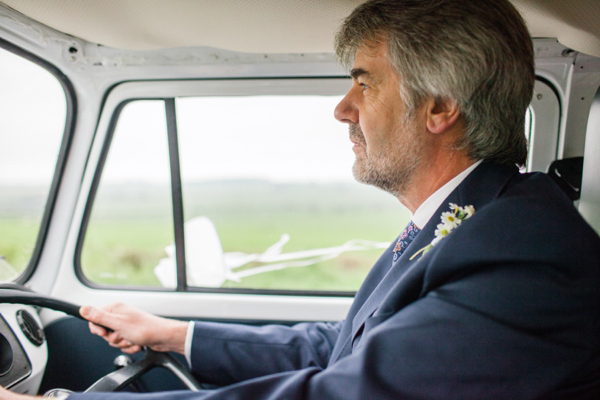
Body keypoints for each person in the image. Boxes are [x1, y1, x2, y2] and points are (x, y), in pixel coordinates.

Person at [2, 0, 600, 398]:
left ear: (441, 107)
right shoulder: (469, 220)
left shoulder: (526, 251)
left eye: (364, 82)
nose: (343, 108)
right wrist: (176, 334)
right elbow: (347, 345)